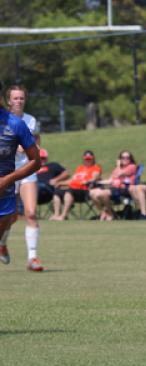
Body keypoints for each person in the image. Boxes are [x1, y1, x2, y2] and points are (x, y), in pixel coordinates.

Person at [0, 85, 44, 271]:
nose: (18, 101)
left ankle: (32, 257)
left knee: (30, 213)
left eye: (21, 98)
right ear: (8, 100)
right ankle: (3, 243)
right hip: (10, 173)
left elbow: (35, 152)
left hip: (20, 171)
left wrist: (7, 179)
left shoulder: (25, 122)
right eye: (15, 98)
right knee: (12, 217)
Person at [50, 150, 102, 221]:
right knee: (57, 192)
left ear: (93, 159)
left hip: (84, 190)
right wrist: (60, 183)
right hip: (74, 188)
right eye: (86, 159)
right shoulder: (80, 168)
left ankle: (63, 215)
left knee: (70, 191)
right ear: (83, 159)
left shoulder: (96, 168)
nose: (88, 161)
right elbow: (72, 180)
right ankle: (56, 214)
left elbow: (95, 177)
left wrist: (87, 181)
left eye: (89, 159)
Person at [89, 150, 137, 221]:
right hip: (113, 189)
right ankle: (103, 212)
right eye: (123, 158)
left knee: (103, 194)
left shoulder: (132, 167)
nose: (125, 159)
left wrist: (118, 165)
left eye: (127, 158)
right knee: (92, 192)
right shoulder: (116, 169)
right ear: (120, 159)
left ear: (131, 159)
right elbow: (110, 180)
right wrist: (98, 182)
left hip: (123, 189)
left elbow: (120, 174)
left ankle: (110, 214)